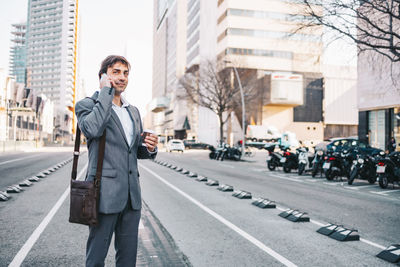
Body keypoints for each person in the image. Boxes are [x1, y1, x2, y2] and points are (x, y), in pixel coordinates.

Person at [75, 55, 158, 267]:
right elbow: (93, 129)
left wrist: (149, 148)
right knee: (96, 258)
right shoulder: (87, 105)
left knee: (128, 259)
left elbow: (133, 151)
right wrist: (105, 92)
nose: (122, 77)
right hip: (103, 195)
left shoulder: (133, 111)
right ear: (103, 76)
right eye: (116, 72)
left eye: (125, 73)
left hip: (132, 198)